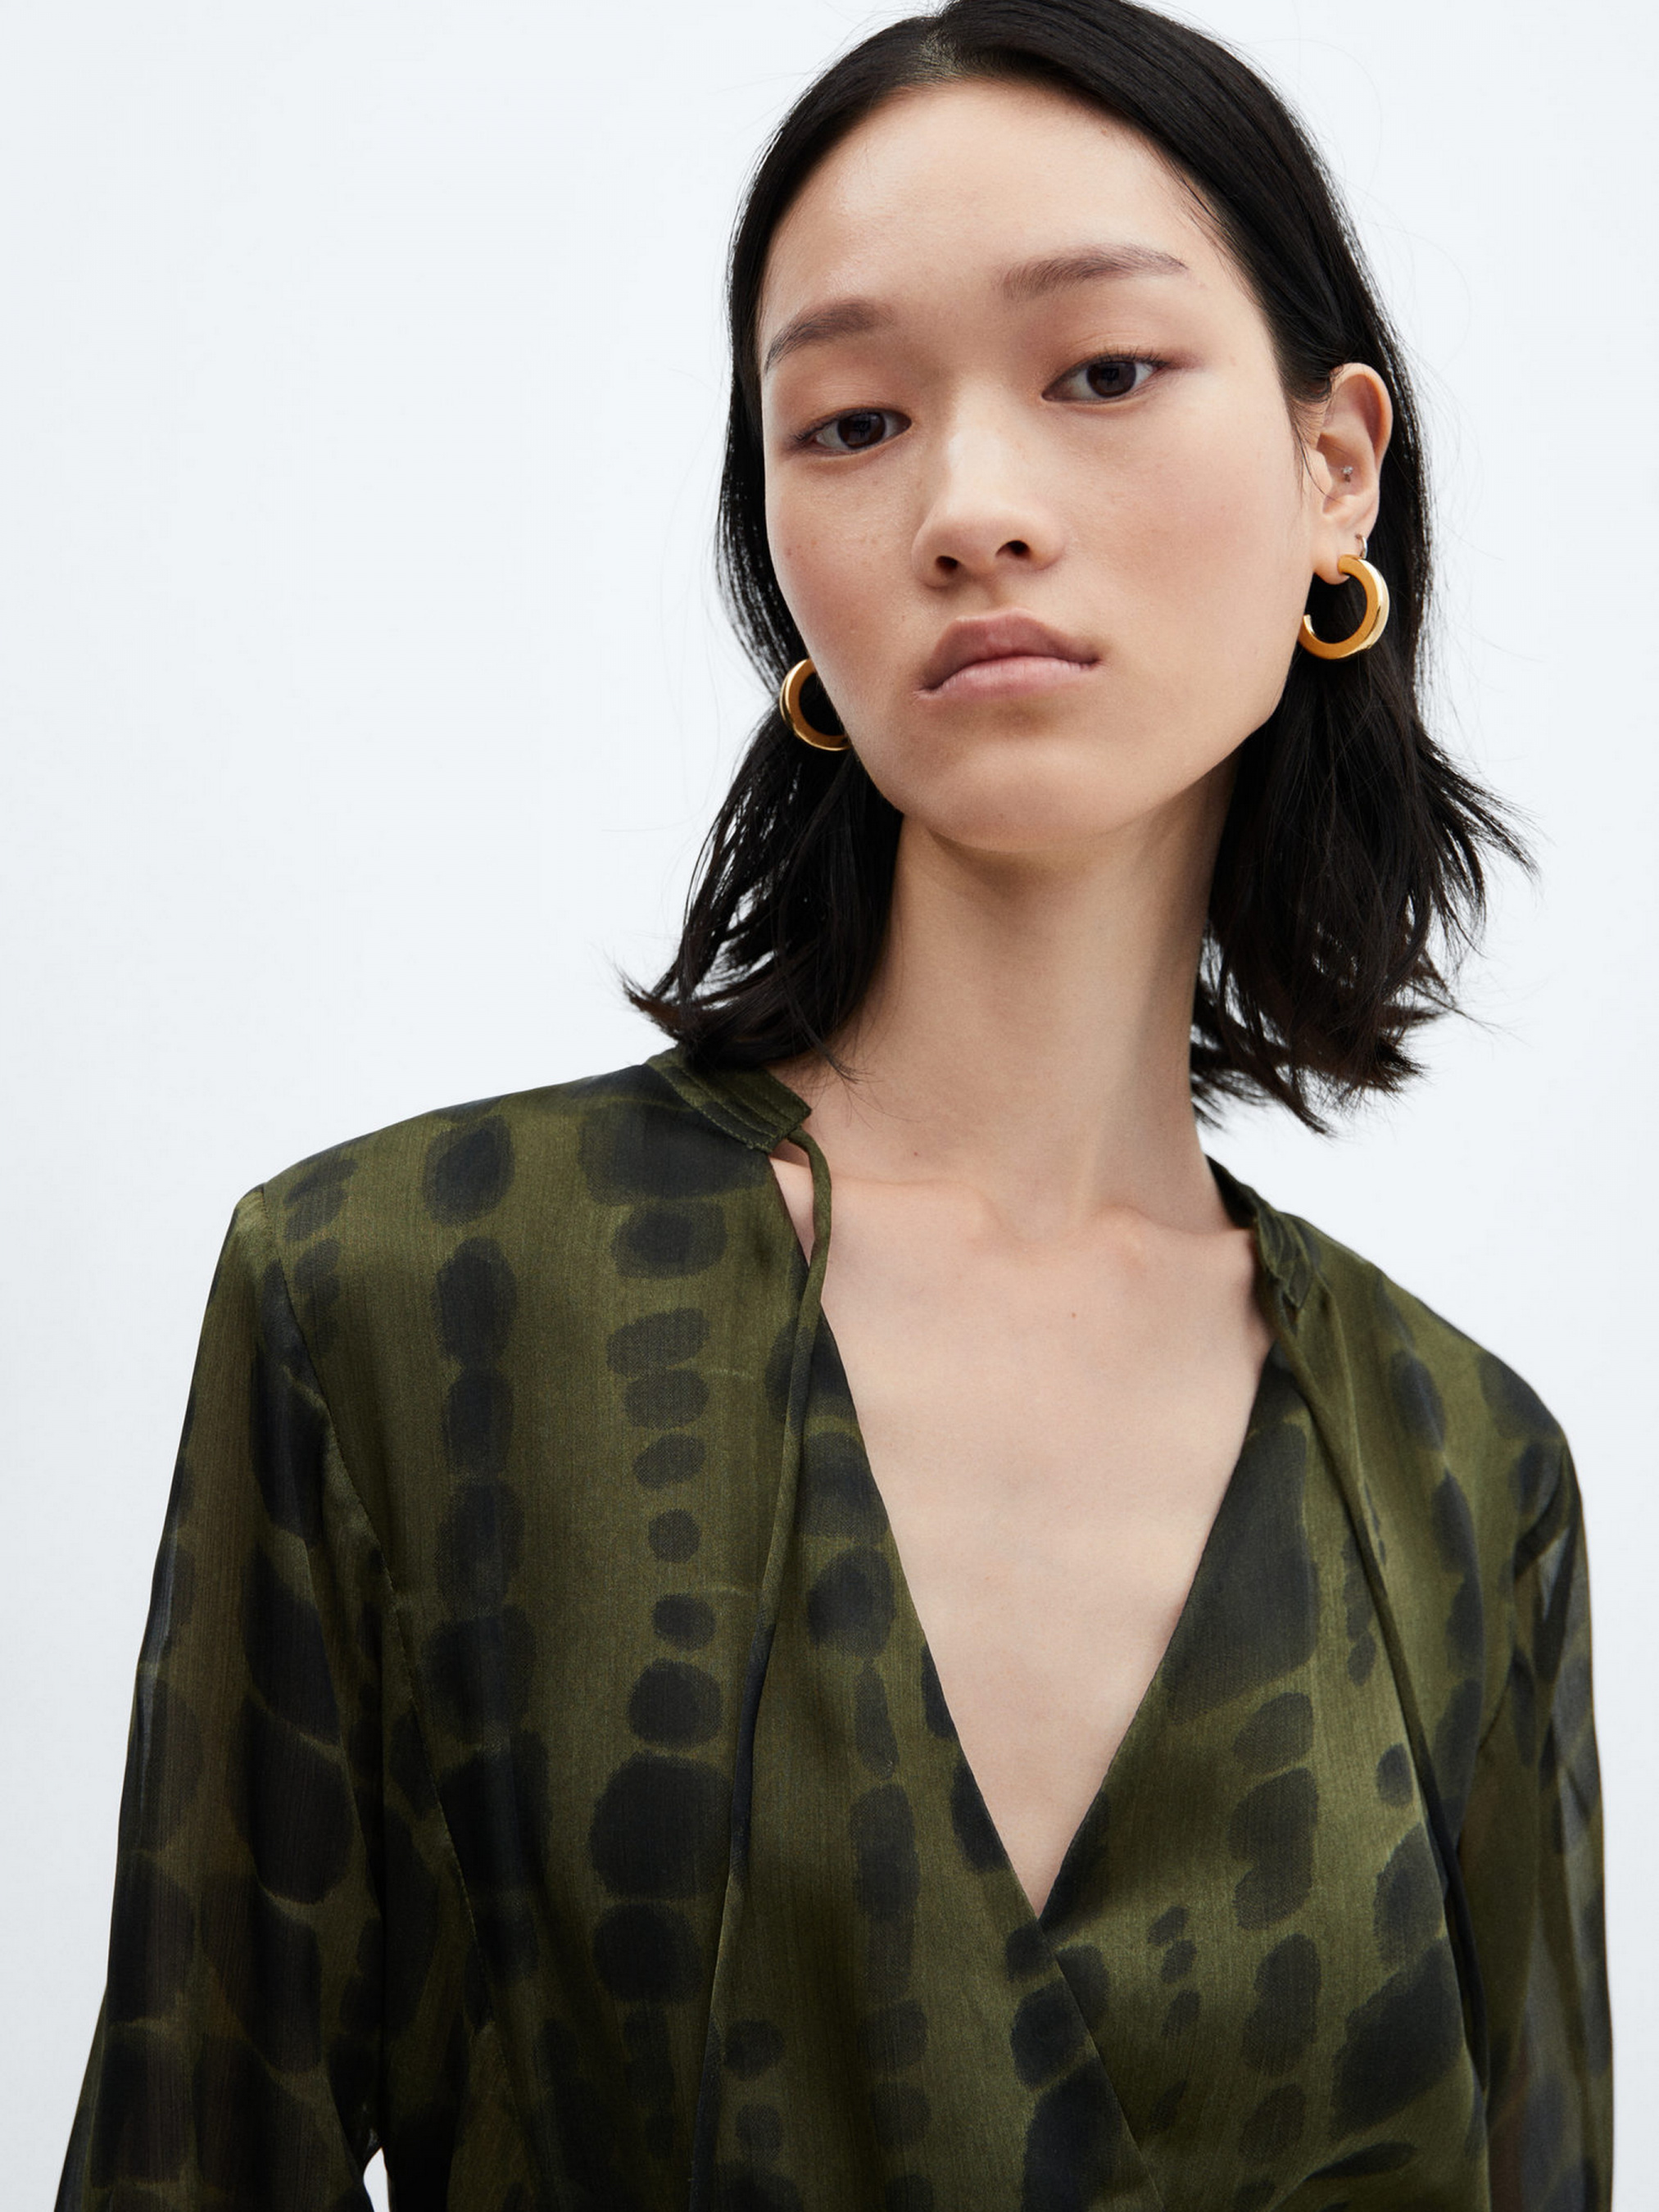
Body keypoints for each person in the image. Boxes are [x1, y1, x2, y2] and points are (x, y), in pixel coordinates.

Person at [58, 2, 1611, 2205]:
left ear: (1334, 468)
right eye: (853, 422)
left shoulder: (1461, 1477)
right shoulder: (410, 1305)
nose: (970, 510)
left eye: (1101, 372)